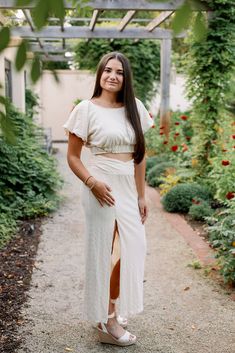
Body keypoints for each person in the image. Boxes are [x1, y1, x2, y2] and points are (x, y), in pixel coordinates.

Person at [63, 52, 154, 346]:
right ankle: (108, 320)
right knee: (107, 253)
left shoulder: (135, 107)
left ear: (126, 78)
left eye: (119, 72)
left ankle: (112, 306)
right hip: (100, 187)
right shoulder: (85, 110)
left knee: (132, 248)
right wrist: (92, 183)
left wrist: (141, 195)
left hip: (128, 187)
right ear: (100, 74)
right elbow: (73, 157)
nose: (113, 76)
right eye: (108, 70)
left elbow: (140, 156)